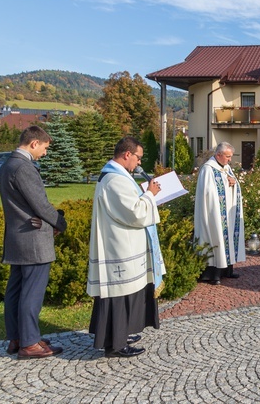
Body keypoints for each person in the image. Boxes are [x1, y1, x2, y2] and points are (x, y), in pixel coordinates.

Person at [88, 136, 164, 358]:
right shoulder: (115, 180)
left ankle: (120, 335)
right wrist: (150, 194)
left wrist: (146, 194)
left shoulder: (118, 176)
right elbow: (135, 213)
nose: (139, 163)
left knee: (125, 294)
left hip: (124, 244)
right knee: (119, 296)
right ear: (127, 154)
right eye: (138, 158)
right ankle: (115, 344)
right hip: (119, 248)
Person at [0, 126, 67, 359]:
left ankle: (17, 338)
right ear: (34, 143)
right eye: (45, 148)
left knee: (16, 291)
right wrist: (59, 222)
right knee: (32, 292)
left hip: (17, 238)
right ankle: (29, 343)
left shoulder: (8, 165)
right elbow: (40, 204)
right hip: (33, 240)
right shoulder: (24, 167)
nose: (45, 153)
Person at [194, 142, 246, 284]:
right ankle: (213, 274)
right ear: (218, 155)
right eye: (228, 156)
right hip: (213, 214)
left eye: (230, 156)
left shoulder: (226, 168)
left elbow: (231, 185)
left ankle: (227, 270)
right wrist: (226, 181)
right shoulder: (208, 169)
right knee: (215, 238)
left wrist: (233, 182)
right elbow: (208, 193)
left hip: (227, 215)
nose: (230, 160)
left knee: (227, 238)